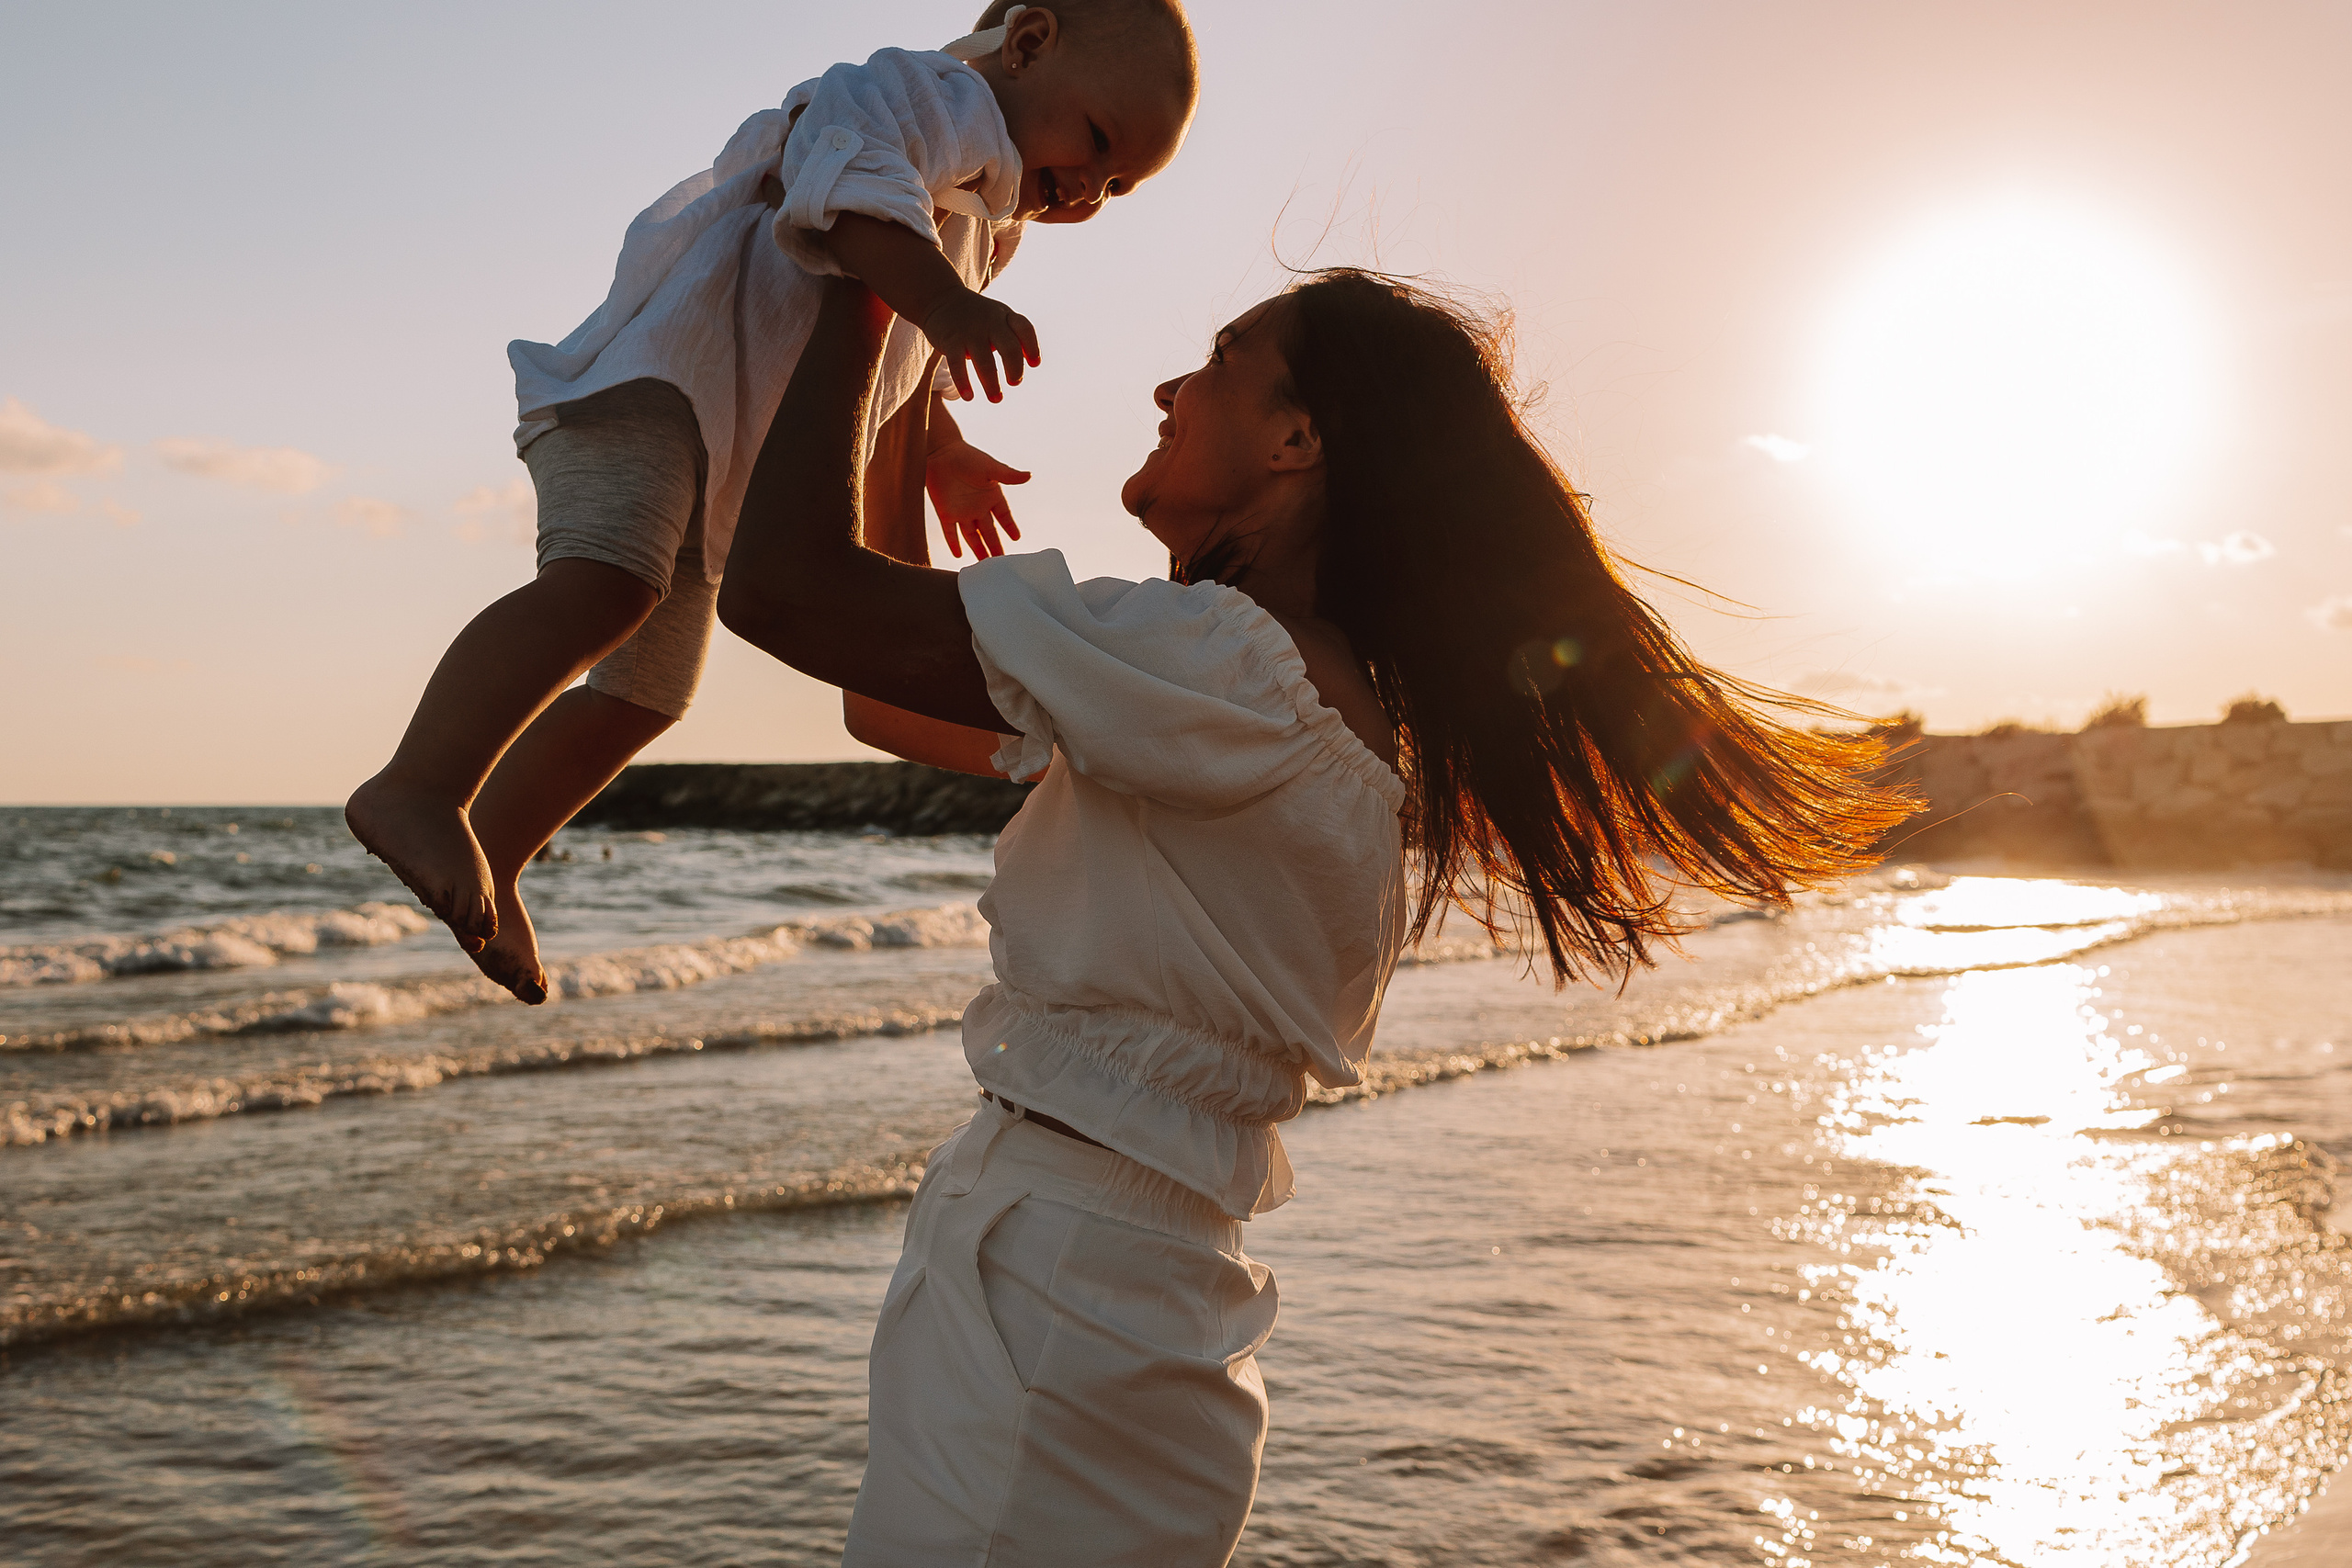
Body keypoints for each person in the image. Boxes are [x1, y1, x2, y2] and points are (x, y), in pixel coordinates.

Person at [717, 267, 1913, 1563]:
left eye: (1218, 359)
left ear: (1297, 438)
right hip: (1089, 1283)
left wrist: (868, 284)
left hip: (1058, 1296)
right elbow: (880, 702)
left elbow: (780, 590)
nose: (1168, 389)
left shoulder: (1226, 664)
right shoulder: (1255, 687)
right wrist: (906, 417)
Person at [345, 1, 1197, 1001]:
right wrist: (948, 301)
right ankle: (420, 783)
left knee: (647, 693)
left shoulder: (979, 224)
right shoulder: (921, 93)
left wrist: (943, 452)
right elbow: (849, 189)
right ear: (1028, 43)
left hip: (715, 455)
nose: (1090, 187)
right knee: (603, 589)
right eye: (1097, 140)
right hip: (655, 388)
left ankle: (498, 844)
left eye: (1119, 186)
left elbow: (902, 363)